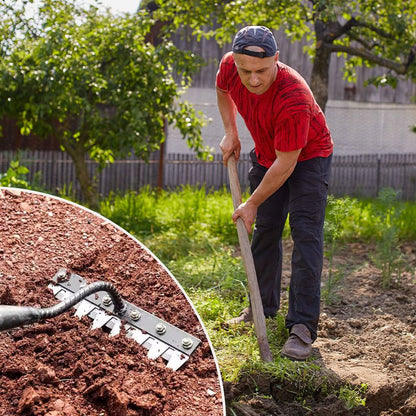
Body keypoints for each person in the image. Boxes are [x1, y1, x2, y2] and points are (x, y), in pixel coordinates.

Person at [216, 26, 333, 361]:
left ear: (276, 60)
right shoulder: (230, 65)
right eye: (245, 71)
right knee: (266, 230)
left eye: (262, 71)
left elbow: (287, 163)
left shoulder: (293, 95)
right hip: (269, 154)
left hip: (308, 158)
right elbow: (223, 90)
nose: (253, 80)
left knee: (305, 234)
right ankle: (261, 308)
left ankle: (302, 328)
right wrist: (230, 132)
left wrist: (251, 202)